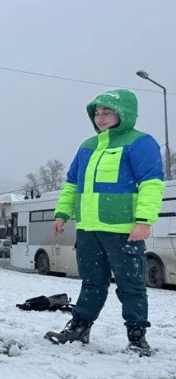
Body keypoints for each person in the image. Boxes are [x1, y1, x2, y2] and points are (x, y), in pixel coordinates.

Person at [46, 88, 164, 356]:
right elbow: (72, 185)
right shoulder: (88, 145)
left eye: (106, 112)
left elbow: (151, 184)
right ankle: (79, 328)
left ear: (124, 113)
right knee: (91, 282)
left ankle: (137, 337)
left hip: (123, 230)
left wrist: (144, 221)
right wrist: (62, 214)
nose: (100, 118)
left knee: (130, 284)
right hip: (88, 229)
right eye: (97, 113)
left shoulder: (140, 142)